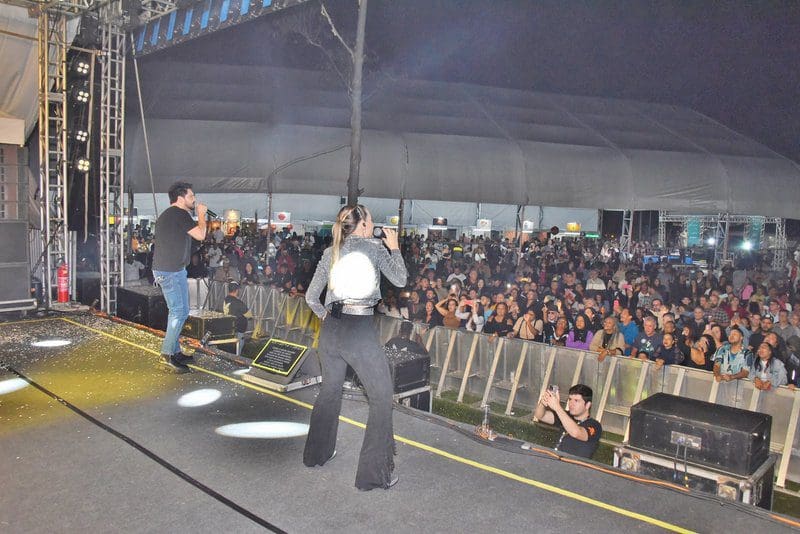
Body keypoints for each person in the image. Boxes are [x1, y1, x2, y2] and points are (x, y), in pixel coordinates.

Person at [303, 204, 407, 491]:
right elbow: (400, 279)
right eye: (370, 220)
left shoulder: (331, 252)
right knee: (381, 397)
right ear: (362, 225)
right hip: (359, 331)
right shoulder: (375, 248)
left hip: (330, 331)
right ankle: (374, 475)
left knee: (329, 391)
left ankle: (316, 454)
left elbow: (311, 296)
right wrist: (395, 248)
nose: (373, 224)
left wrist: (325, 315)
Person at [152, 181, 207, 373]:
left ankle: (175, 351)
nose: (194, 199)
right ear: (180, 198)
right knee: (178, 312)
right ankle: (166, 355)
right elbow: (201, 235)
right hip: (170, 271)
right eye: (191, 196)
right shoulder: (179, 214)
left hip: (175, 270)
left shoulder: (171, 215)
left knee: (181, 311)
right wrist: (201, 215)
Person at [533, 384, 602, 459]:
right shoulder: (565, 416)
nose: (571, 403)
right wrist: (543, 402)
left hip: (573, 465)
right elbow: (540, 416)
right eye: (570, 399)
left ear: (587, 405)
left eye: (576, 400)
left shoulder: (595, 425)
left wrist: (557, 408)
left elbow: (576, 433)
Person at [223, 282, 252, 354]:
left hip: (229, 327)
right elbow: (248, 315)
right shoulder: (238, 302)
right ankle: (237, 358)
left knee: (230, 348)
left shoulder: (226, 299)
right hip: (238, 329)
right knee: (238, 346)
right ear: (236, 290)